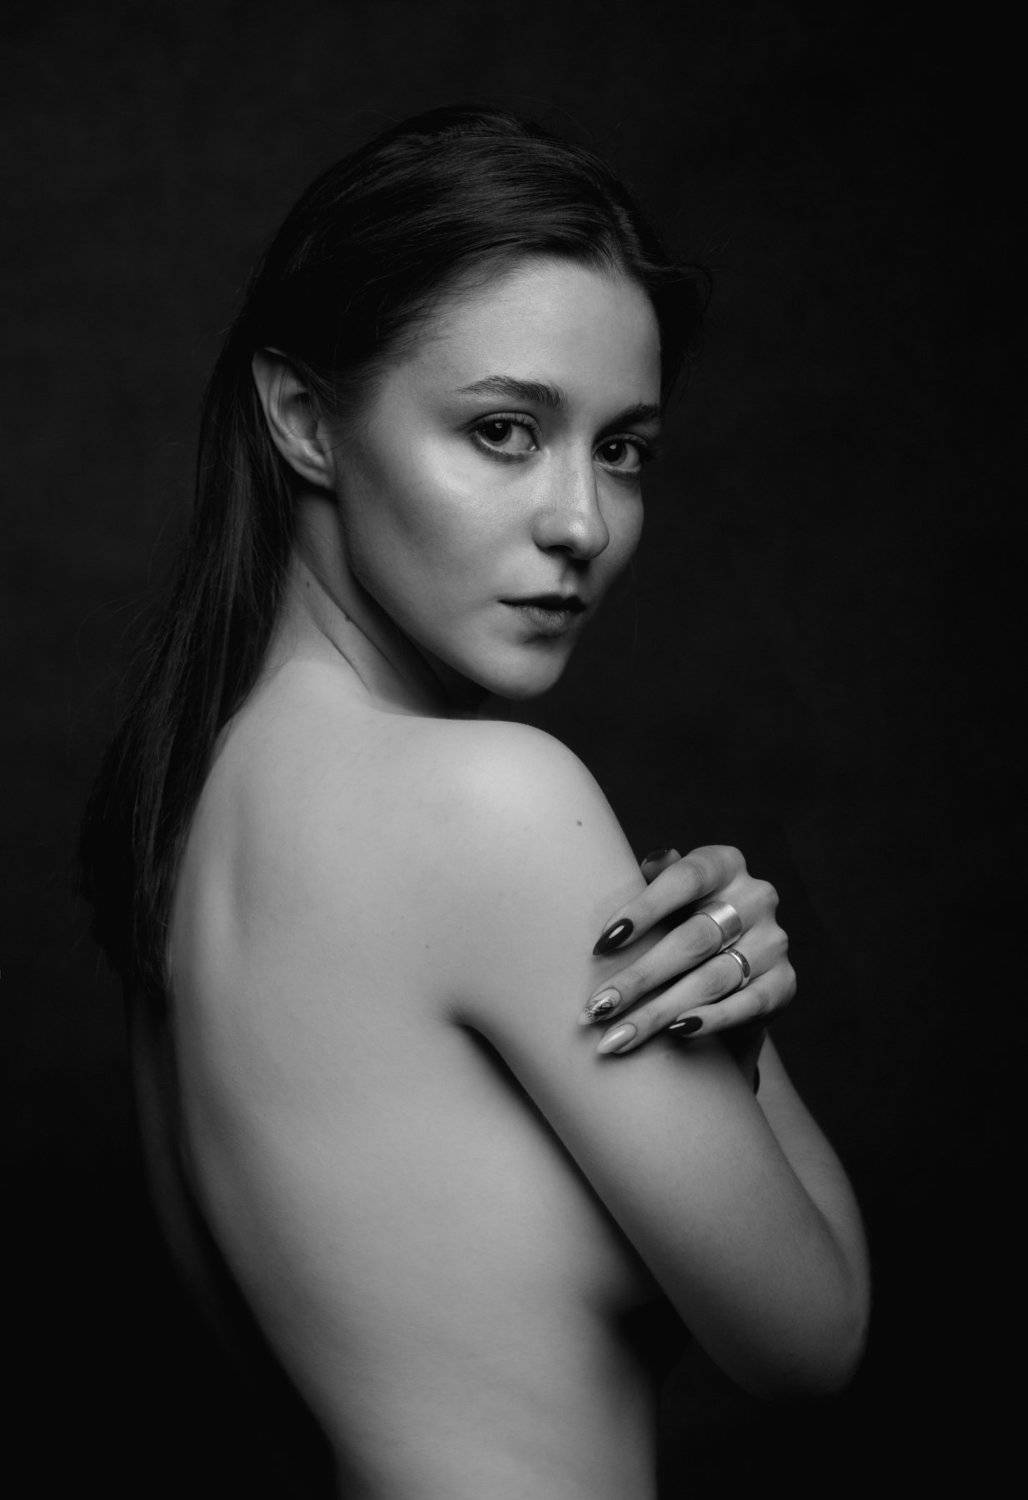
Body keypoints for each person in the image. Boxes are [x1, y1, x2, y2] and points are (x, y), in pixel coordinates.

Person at [79, 105, 869, 1499]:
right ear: (304, 419)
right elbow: (811, 1339)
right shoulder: (493, 801)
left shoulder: (180, 820)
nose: (582, 522)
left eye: (622, 449)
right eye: (505, 430)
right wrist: (741, 1031)